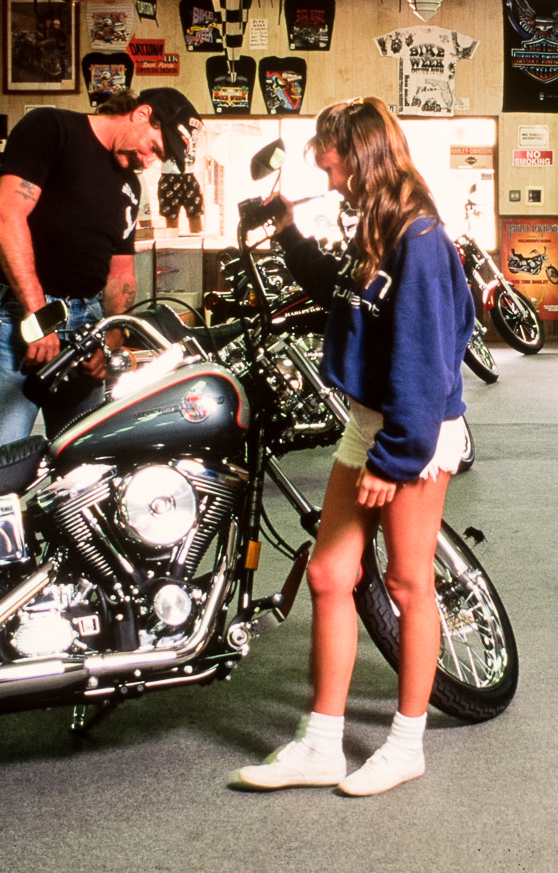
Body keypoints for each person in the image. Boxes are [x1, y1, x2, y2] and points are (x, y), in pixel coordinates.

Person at [231, 96, 477, 798]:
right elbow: (344, 296)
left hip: (414, 431)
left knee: (406, 583)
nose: (326, 172)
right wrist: (286, 233)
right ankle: (321, 742)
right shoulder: (375, 226)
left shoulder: (420, 239)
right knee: (330, 575)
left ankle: (406, 744)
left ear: (361, 155)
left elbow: (428, 367)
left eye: (330, 159)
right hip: (370, 422)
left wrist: (393, 459)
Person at [0, 87, 202, 448]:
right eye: (154, 148)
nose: (149, 161)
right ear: (142, 114)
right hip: (22, 316)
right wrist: (39, 315)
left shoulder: (130, 185)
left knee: (85, 460)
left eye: (160, 157)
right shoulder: (50, 128)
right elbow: (6, 219)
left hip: (86, 326)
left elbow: (121, 273)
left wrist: (109, 344)